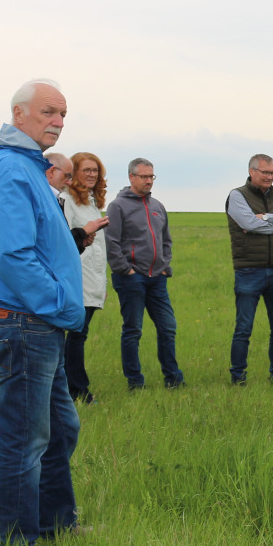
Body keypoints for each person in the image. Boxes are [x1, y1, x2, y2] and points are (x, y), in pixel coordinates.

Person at [0, 78, 86, 546]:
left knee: (61, 428)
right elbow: (13, 254)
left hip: (39, 323)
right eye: (47, 113)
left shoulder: (28, 167)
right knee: (24, 437)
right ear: (18, 115)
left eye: (62, 114)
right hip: (22, 320)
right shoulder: (10, 168)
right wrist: (59, 303)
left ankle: (57, 523)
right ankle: (16, 545)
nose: (58, 122)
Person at [106, 158, 183, 390]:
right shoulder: (117, 206)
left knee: (167, 328)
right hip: (131, 278)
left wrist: (164, 264)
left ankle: (173, 379)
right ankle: (135, 383)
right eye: (144, 177)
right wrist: (126, 270)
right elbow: (111, 242)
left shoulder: (157, 206)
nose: (149, 181)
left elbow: (165, 240)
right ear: (131, 177)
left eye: (151, 177)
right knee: (133, 330)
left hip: (157, 278)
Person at [226, 153, 273, 384]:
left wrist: (266, 217)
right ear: (252, 172)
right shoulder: (237, 196)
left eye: (272, 172)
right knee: (244, 328)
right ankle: (238, 377)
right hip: (249, 270)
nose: (269, 177)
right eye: (265, 172)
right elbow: (248, 223)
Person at [60, 153, 110, 403]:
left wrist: (102, 284)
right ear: (74, 173)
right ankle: (77, 390)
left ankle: (72, 388)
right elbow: (66, 239)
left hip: (92, 278)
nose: (92, 175)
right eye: (86, 170)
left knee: (80, 333)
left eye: (96, 171)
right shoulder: (66, 200)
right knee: (76, 335)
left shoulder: (91, 202)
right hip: (76, 278)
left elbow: (99, 249)